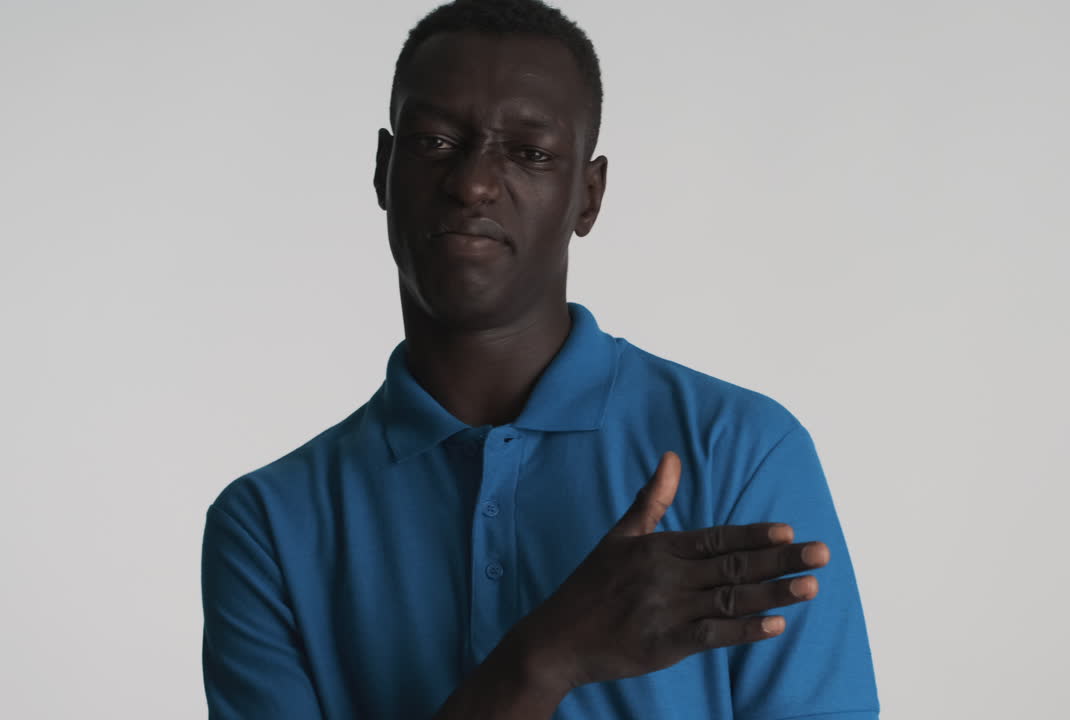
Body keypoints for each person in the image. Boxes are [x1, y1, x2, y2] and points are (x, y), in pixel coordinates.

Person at [200, 0, 880, 717]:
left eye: (529, 152)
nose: (473, 183)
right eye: (434, 141)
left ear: (588, 196)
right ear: (382, 169)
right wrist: (548, 656)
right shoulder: (267, 526)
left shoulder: (740, 452)